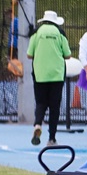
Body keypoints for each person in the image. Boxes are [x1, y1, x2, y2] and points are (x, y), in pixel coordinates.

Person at [26, 10, 71, 147]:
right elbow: (67, 55)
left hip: (40, 74)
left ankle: (38, 124)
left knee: (41, 103)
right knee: (54, 106)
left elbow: (29, 54)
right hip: (57, 74)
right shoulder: (60, 33)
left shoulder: (37, 32)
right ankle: (51, 138)